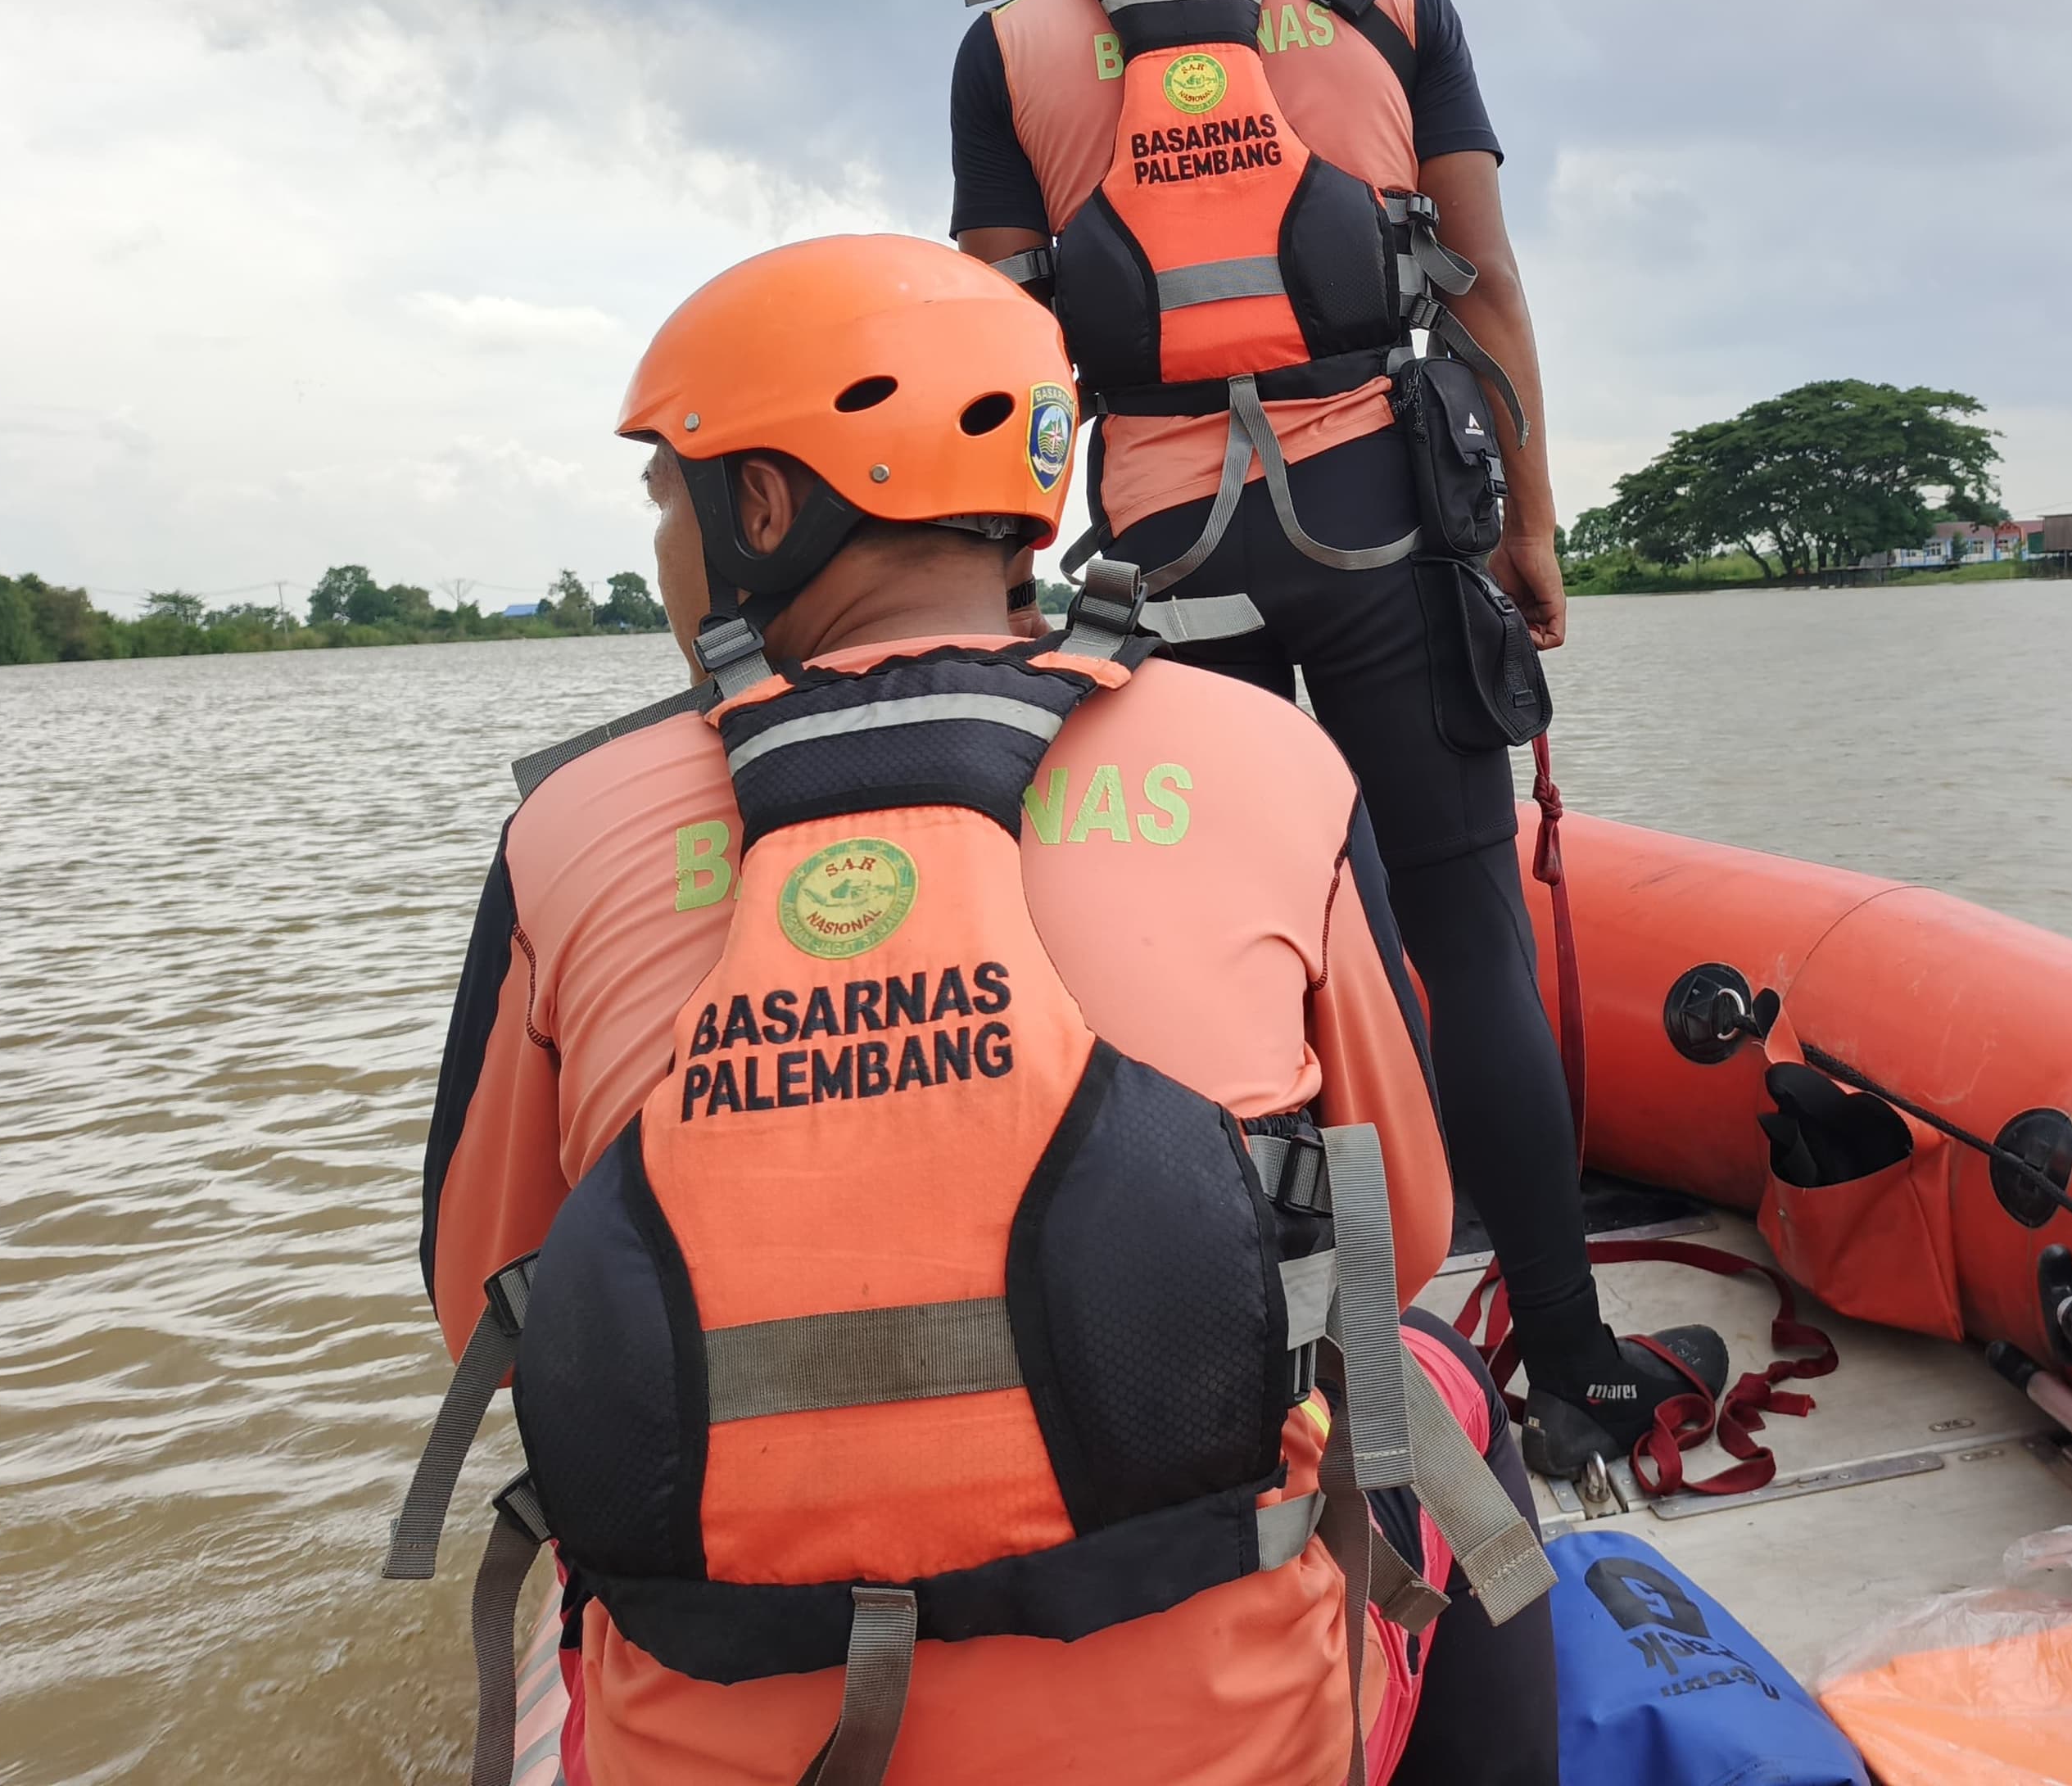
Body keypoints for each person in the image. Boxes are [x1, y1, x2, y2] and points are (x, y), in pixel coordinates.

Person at [402, 236, 1556, 1786]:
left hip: (715, 1728)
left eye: (670, 500)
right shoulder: (1266, 758)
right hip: (1218, 1740)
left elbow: (485, 1295)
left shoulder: (571, 827)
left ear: (762, 508)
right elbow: (1400, 1237)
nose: (664, 546)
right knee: (1444, 1380)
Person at [952, 0, 1721, 1468]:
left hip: (1161, 550)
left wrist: (1004, 595)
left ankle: (1248, 1381)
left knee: (1208, 959)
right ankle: (1578, 1369)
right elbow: (1487, 285)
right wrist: (1532, 524)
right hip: (1385, 518)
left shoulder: (1015, 51)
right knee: (1463, 929)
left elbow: (992, 348)